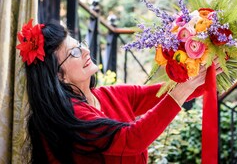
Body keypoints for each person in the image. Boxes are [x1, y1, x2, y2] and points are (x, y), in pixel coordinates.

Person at [17, 19, 220, 164]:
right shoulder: (71, 114)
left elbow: (162, 92)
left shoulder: (108, 95)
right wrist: (181, 92)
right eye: (74, 53)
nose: (86, 51)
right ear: (59, 76)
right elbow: (131, 140)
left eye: (80, 45)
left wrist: (214, 69)